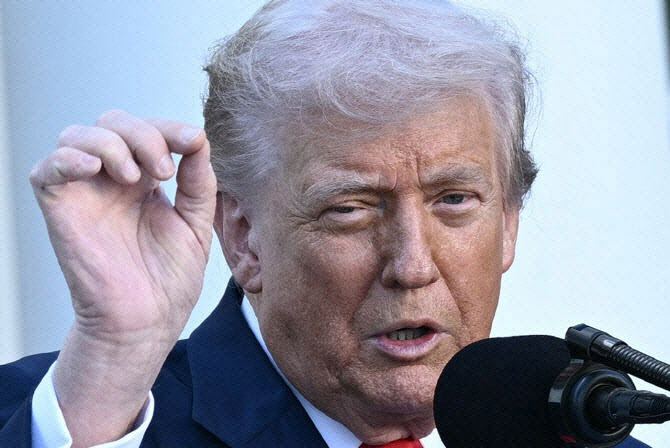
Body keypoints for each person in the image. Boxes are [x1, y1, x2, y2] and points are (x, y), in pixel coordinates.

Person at [0, 1, 650, 447]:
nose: (413, 265)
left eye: (454, 200)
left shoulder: (578, 435)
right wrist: (112, 362)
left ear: (508, 223)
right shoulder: (78, 417)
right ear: (243, 237)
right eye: (350, 209)